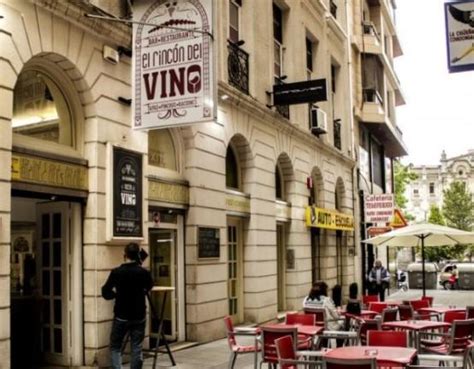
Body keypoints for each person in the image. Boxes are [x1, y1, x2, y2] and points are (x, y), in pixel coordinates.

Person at [102, 243, 153, 369]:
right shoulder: (143, 272)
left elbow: (105, 291)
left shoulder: (116, 272)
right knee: (136, 346)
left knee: (115, 347)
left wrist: (115, 295)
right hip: (139, 314)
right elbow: (149, 286)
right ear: (138, 256)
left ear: (125, 255)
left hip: (121, 314)